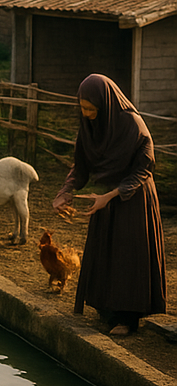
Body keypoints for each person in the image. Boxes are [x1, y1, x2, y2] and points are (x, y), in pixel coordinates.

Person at [51, 73, 166, 338]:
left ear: (106, 105)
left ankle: (128, 318)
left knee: (128, 256)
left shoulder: (132, 124)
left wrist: (113, 194)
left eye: (92, 109)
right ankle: (107, 311)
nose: (87, 114)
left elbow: (145, 167)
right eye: (83, 109)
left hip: (133, 197)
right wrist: (65, 191)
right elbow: (81, 165)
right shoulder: (90, 125)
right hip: (105, 199)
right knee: (106, 253)